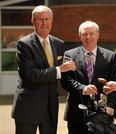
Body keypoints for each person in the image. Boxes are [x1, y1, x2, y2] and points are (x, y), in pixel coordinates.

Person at [11, 5, 76, 134]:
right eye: (40, 19)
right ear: (33, 21)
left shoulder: (59, 44)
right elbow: (31, 75)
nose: (44, 23)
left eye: (47, 19)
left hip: (51, 106)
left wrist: (82, 87)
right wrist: (59, 70)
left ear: (52, 20)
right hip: (28, 106)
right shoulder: (24, 44)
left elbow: (65, 75)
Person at [61, 20, 116, 134]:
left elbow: (115, 82)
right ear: (80, 36)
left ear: (97, 35)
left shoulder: (110, 56)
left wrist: (111, 106)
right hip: (76, 114)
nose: (88, 37)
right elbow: (66, 81)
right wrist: (83, 88)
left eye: (91, 33)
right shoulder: (69, 55)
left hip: (102, 115)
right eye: (84, 34)